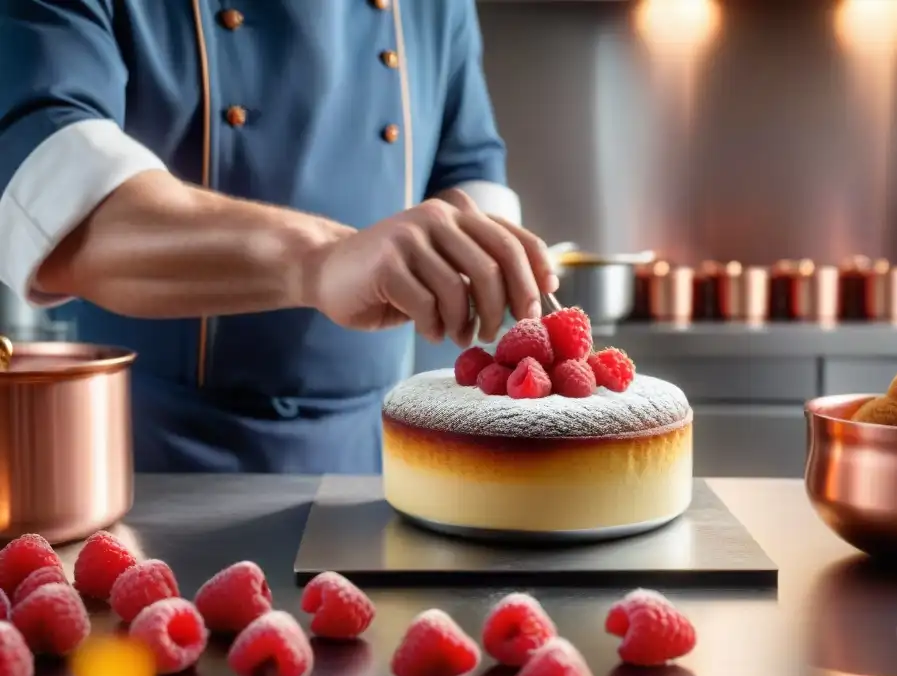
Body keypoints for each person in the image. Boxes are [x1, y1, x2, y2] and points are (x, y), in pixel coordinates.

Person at [0, 0, 557, 475]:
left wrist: (488, 257)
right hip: (149, 466)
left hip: (382, 459)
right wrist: (320, 260)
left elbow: (466, 164)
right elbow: (52, 195)